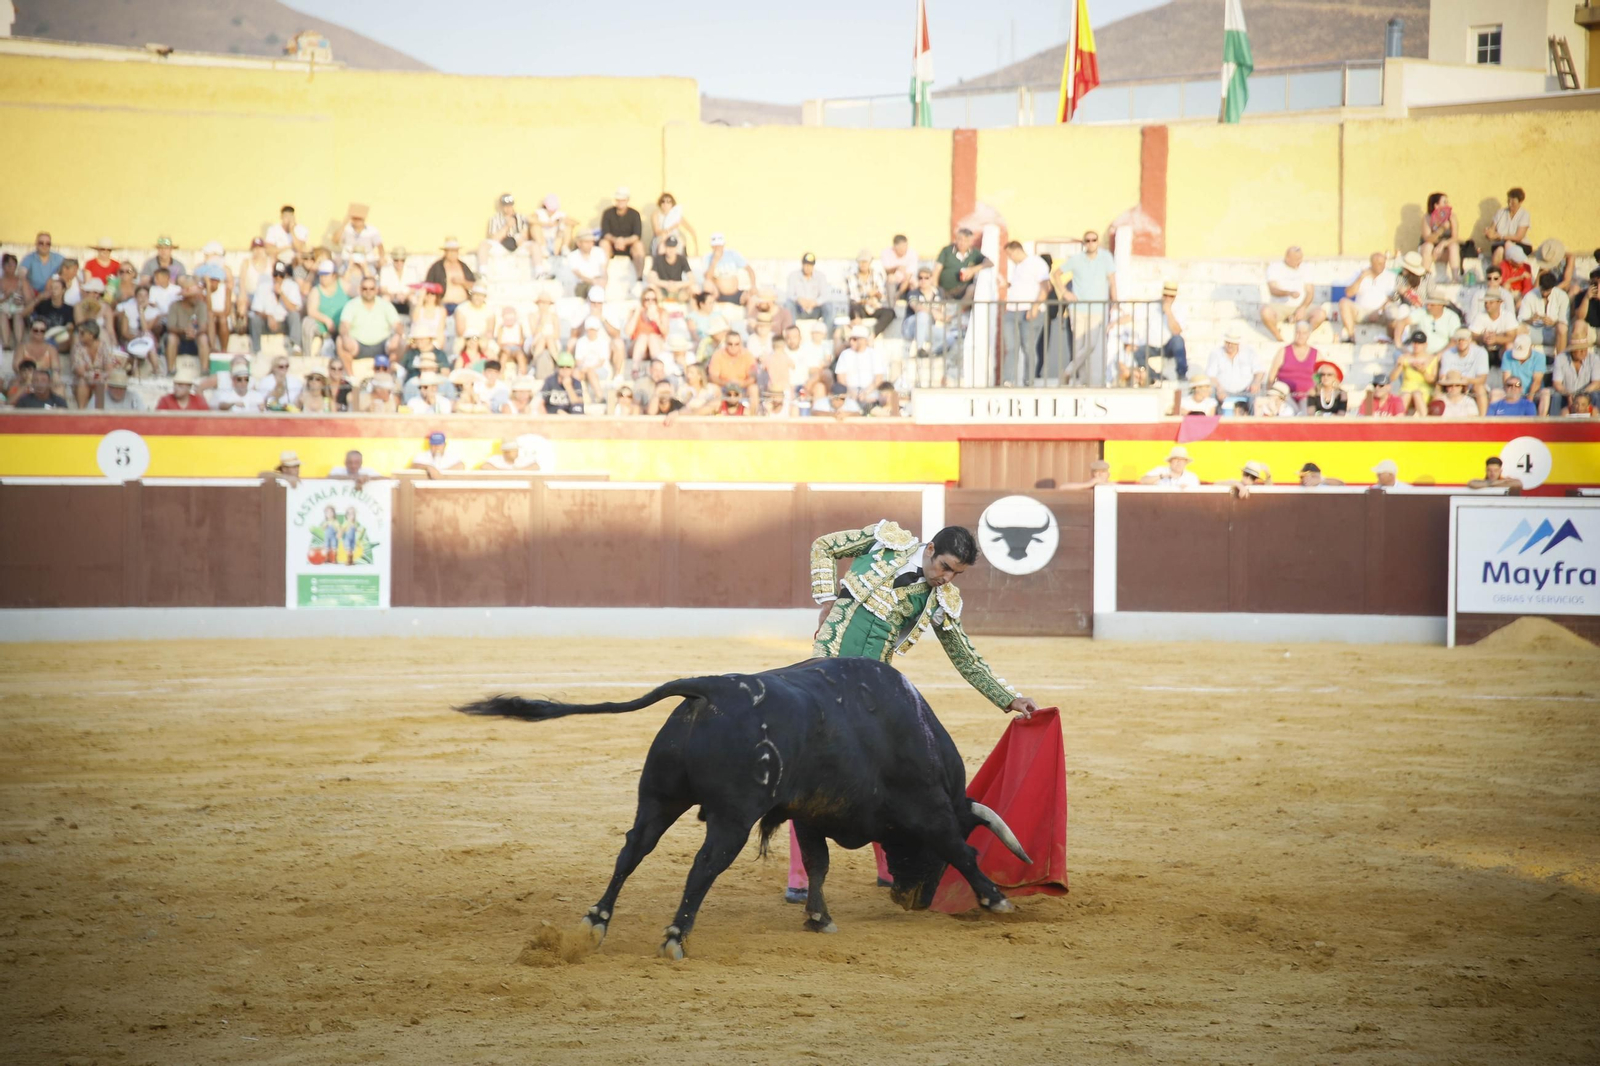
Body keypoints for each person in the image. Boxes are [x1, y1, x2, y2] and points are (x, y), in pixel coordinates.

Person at [786, 521, 1040, 902]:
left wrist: (1008, 697)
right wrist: (826, 599)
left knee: (879, 772)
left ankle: (888, 867)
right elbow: (824, 545)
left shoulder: (942, 599)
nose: (947, 578)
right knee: (808, 772)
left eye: (957, 573)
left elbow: (965, 657)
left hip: (873, 688)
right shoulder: (885, 541)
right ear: (931, 548)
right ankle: (800, 877)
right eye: (945, 567)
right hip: (822, 673)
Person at [1001, 241, 1051, 386]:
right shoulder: (1018, 267)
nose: (1010, 258)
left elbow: (1045, 287)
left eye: (1010, 254)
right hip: (1012, 310)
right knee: (1011, 346)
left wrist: (1035, 306)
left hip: (1029, 311)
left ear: (1016, 251)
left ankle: (1029, 379)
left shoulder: (1037, 263)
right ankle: (1007, 380)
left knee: (1028, 347)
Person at [1260, 245, 1326, 338]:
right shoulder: (1274, 267)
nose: (1299, 262)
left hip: (1301, 305)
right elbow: (1273, 290)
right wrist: (1288, 293)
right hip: (1280, 306)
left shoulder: (1306, 268)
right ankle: (1279, 338)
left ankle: (1303, 336)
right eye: (1296, 259)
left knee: (1321, 314)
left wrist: (1302, 308)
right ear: (1287, 258)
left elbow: (1310, 292)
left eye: (1300, 258)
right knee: (1265, 312)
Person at [1337, 252, 1398, 342]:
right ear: (1372, 264)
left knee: (1395, 311)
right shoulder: (1360, 273)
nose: (1382, 266)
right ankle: (1351, 337)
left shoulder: (1390, 276)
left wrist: (1379, 311)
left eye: (1384, 263)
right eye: (1379, 264)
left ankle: (1391, 340)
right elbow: (1349, 293)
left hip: (1382, 311)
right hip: (1361, 311)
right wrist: (1361, 278)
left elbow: (1392, 297)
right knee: (1343, 302)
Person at [1266, 320, 1318, 409]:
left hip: (1307, 397)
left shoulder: (1316, 354)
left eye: (1304, 333)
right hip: (1285, 396)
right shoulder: (1283, 351)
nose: (1300, 335)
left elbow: (1321, 376)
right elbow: (1271, 377)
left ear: (1309, 334)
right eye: (1298, 332)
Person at [599, 187, 645, 277]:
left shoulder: (635, 214)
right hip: (612, 245)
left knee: (639, 245)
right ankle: (603, 275)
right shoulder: (607, 213)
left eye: (623, 200)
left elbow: (637, 235)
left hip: (629, 246)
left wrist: (624, 241)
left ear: (627, 200)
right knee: (603, 243)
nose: (620, 202)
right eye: (619, 200)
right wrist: (616, 240)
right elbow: (605, 233)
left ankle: (639, 277)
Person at [1395, 328, 1438, 416]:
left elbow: (1432, 381)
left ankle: (1424, 421)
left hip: (1424, 391)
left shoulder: (1432, 358)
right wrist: (1399, 366)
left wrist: (1422, 371)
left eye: (1419, 343)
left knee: (1417, 394)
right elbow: (1392, 378)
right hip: (1406, 389)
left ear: (1425, 345)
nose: (1416, 345)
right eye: (1414, 342)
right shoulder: (1405, 357)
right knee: (1406, 394)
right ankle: (1398, 421)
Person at [1418, 192, 1460, 282]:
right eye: (1445, 202)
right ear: (1436, 205)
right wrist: (1441, 229)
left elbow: (1455, 237)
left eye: (1447, 202)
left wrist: (1442, 244)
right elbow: (1428, 239)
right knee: (1428, 246)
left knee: (1454, 246)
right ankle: (1424, 278)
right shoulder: (1427, 218)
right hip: (1430, 251)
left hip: (1444, 250)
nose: (1448, 205)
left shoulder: (1452, 217)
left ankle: (1455, 278)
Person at [425, 239, 476, 313]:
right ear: (445, 252)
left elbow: (474, 285)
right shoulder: (436, 267)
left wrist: (462, 282)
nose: (453, 254)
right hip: (443, 305)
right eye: (451, 251)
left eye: (455, 251)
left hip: (462, 305)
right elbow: (428, 285)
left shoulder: (463, 266)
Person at [1485, 187, 1532, 265]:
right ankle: (1496, 274)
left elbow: (1518, 237)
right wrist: (1489, 234)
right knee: (1500, 250)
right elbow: (1492, 230)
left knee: (1507, 247)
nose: (1510, 204)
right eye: (1508, 201)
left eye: (1513, 202)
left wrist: (1502, 237)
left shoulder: (1524, 214)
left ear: (1520, 202)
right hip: (1500, 244)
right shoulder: (1500, 213)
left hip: (1520, 245)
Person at [785, 253, 830, 323]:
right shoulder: (793, 276)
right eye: (806, 265)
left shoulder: (821, 276)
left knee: (828, 306)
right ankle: (792, 331)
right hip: (799, 309)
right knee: (788, 304)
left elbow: (825, 296)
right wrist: (798, 299)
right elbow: (789, 294)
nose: (808, 267)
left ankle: (827, 333)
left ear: (813, 266)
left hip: (815, 309)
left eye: (810, 265)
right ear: (802, 264)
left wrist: (815, 302)